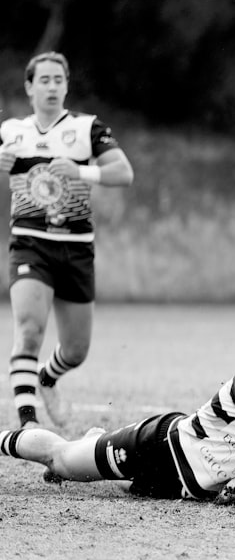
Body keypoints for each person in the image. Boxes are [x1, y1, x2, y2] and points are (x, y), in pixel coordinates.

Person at [0, 325, 235, 504]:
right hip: (162, 446)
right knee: (62, 461)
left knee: (123, 489)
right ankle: (8, 440)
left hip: (186, 487)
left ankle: (93, 440)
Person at [0, 52, 135, 429]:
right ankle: (28, 425)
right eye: (44, 80)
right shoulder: (11, 131)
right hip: (30, 243)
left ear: (67, 84)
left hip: (76, 247)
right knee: (28, 330)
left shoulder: (88, 128)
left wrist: (81, 171)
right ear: (29, 87)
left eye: (58, 80)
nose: (52, 87)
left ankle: (47, 378)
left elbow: (123, 173)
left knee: (76, 351)